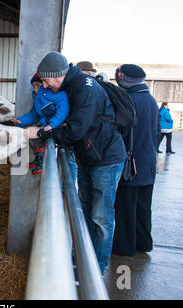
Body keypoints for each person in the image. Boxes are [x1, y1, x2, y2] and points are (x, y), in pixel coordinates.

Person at [35, 51, 127, 273]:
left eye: (46, 81)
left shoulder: (85, 88)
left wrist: (49, 135)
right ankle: (85, 259)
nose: (45, 86)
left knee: (101, 217)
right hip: (90, 156)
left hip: (105, 159)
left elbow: (76, 129)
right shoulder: (73, 86)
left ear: (56, 75)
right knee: (85, 210)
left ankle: (97, 269)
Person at [113, 64, 159, 256]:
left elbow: (121, 132)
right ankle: (143, 243)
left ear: (123, 77)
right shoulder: (151, 100)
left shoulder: (127, 100)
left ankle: (124, 246)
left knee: (125, 206)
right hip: (148, 161)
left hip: (130, 163)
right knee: (143, 206)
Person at [11, 73, 69, 175]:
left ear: (46, 84)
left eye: (38, 86)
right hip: (46, 124)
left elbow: (63, 111)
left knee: (37, 135)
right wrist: (21, 121)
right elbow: (34, 114)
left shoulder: (58, 94)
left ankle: (42, 161)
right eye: (34, 86)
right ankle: (38, 159)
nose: (36, 89)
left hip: (56, 125)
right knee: (30, 135)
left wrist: (52, 124)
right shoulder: (39, 99)